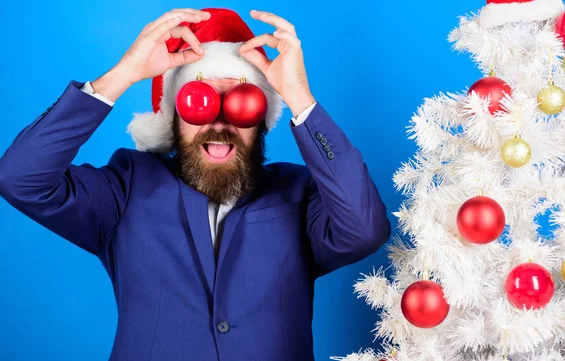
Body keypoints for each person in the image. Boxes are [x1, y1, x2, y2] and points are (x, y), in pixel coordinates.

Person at [0, 7, 390, 361]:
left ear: (262, 118)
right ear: (172, 116)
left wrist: (300, 97)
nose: (219, 124)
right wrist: (123, 75)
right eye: (198, 101)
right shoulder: (125, 189)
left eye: (241, 101)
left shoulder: (298, 192)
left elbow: (364, 230)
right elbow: (20, 178)